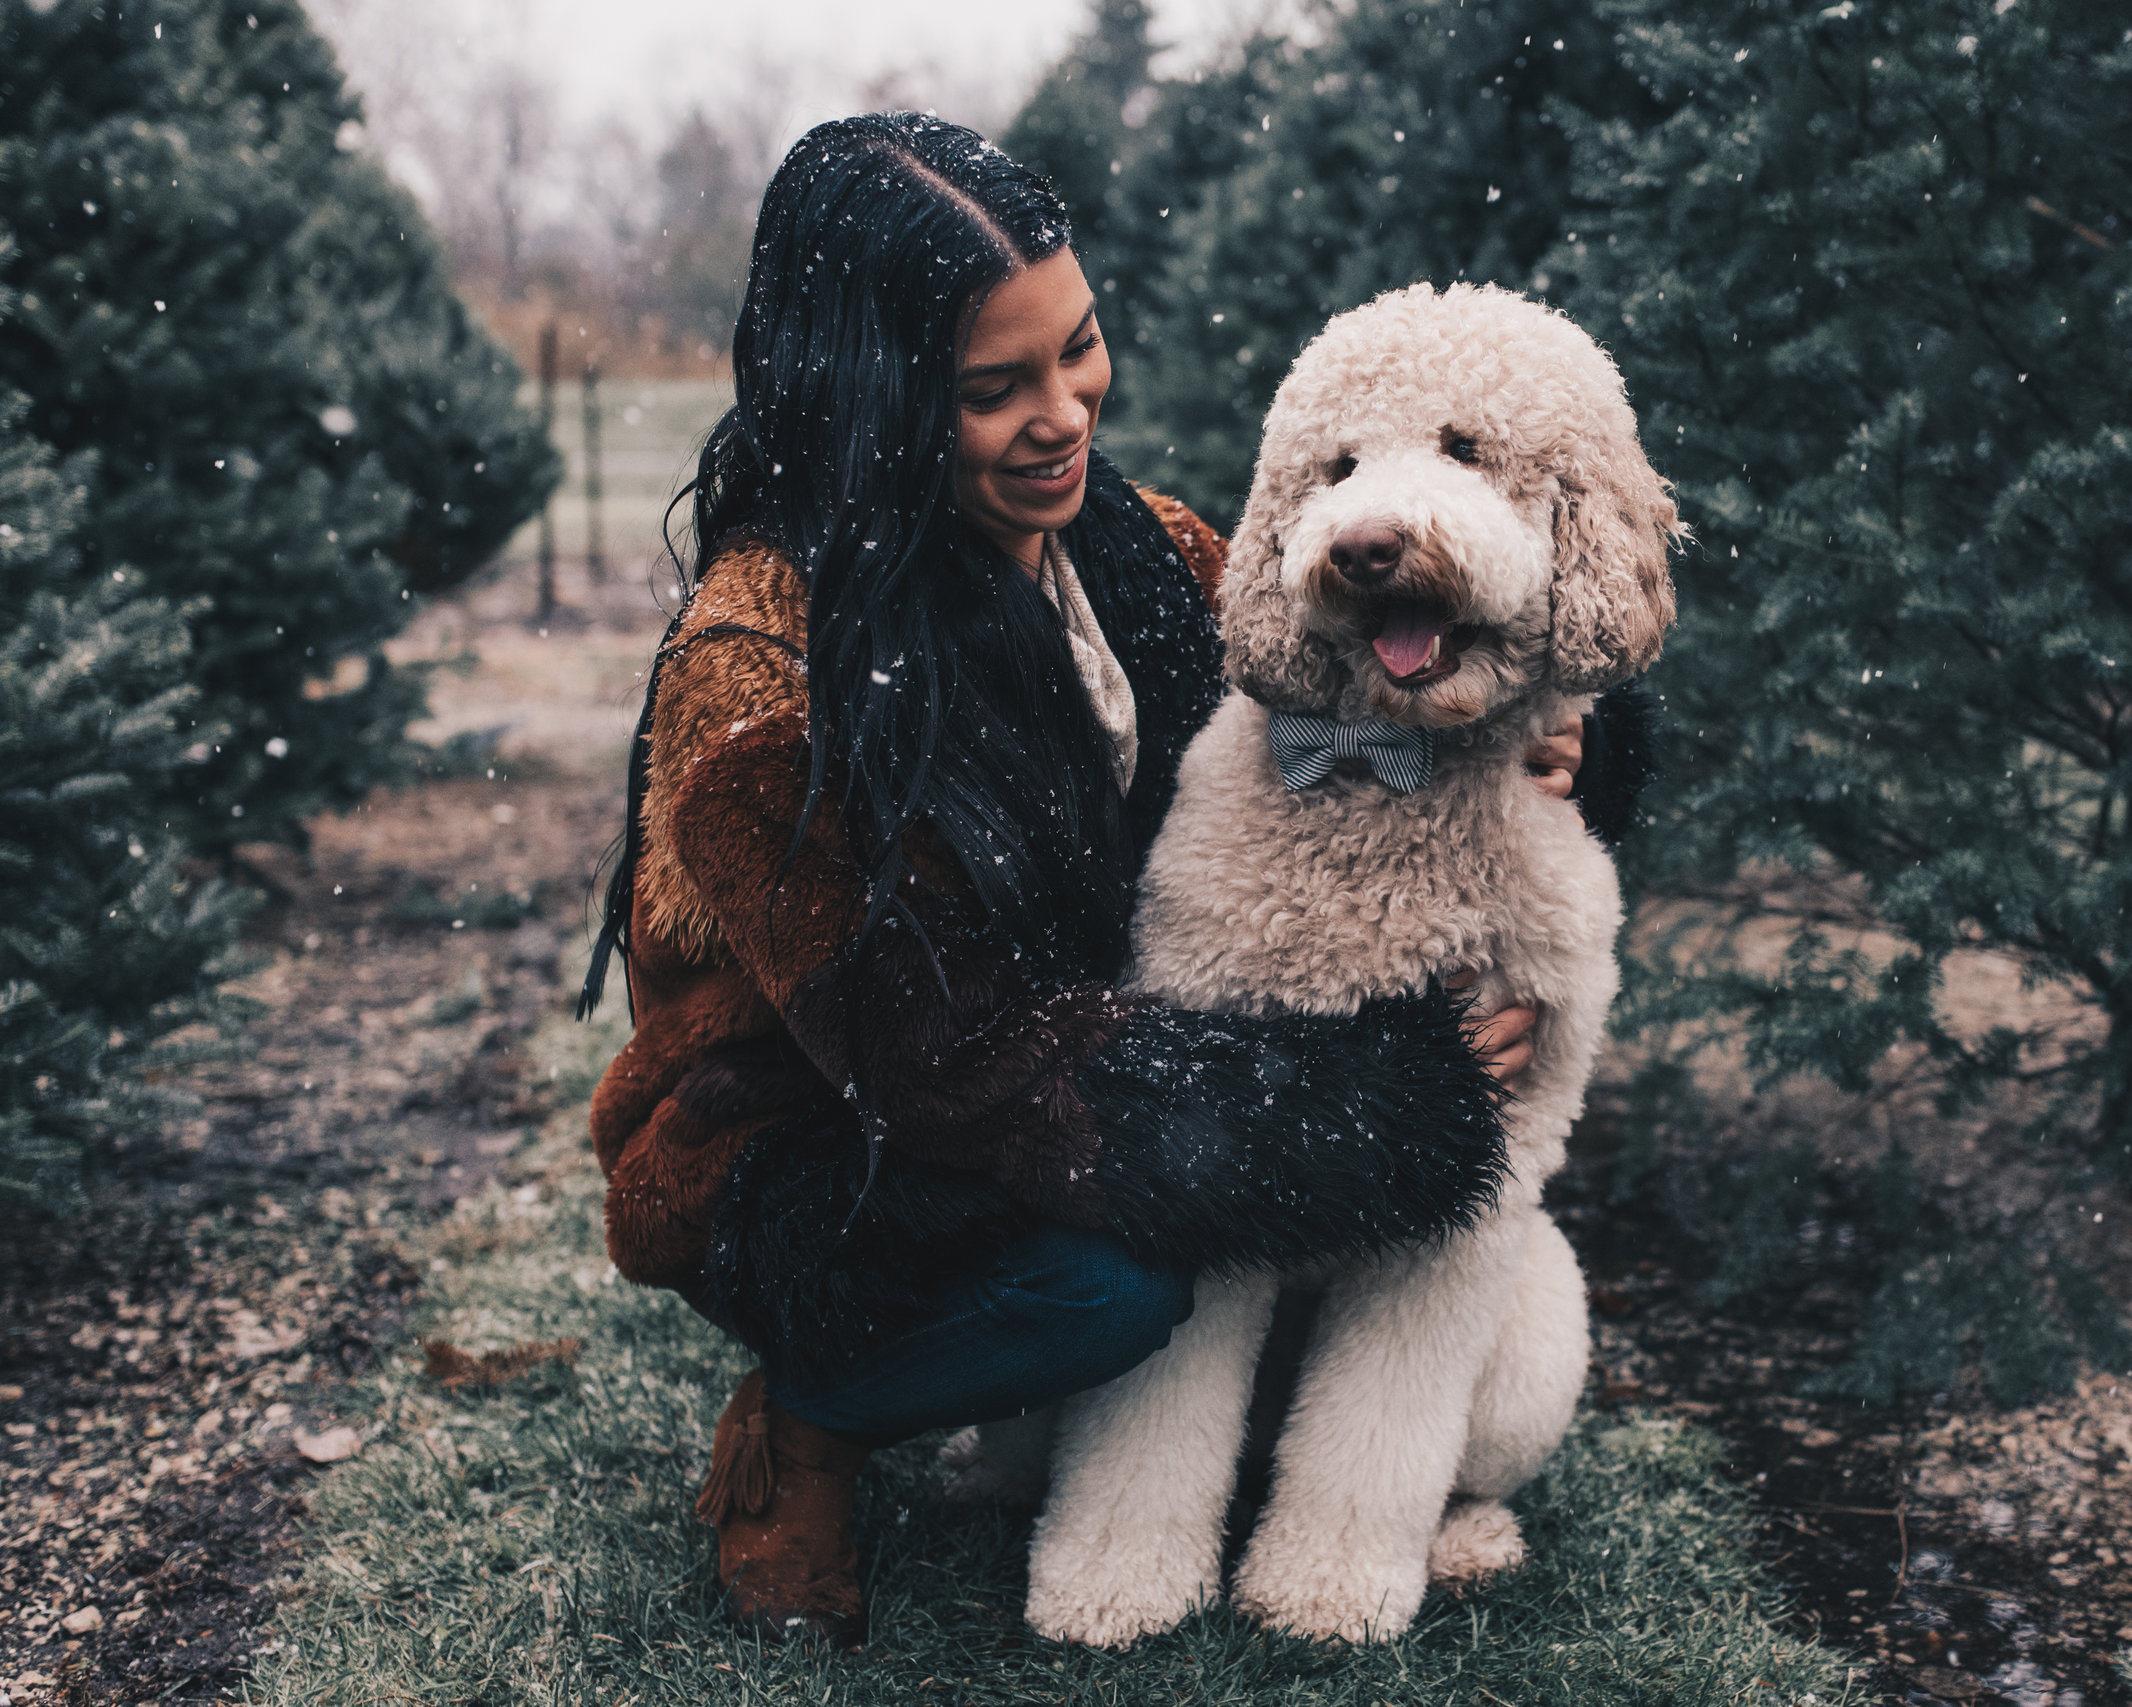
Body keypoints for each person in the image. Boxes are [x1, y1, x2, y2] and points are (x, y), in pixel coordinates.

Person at [578, 113, 1638, 1642]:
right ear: (870, 406)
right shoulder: (763, 683)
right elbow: (953, 1066)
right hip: (840, 1131)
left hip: (1097, 1033)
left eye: (1079, 349)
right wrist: (1385, 1100)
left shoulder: (1125, 541)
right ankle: (810, 1416)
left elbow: (1338, 656)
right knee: (1114, 1293)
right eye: (993, 389)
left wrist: (1564, 731)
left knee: (1193, 1227)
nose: (1065, 413)